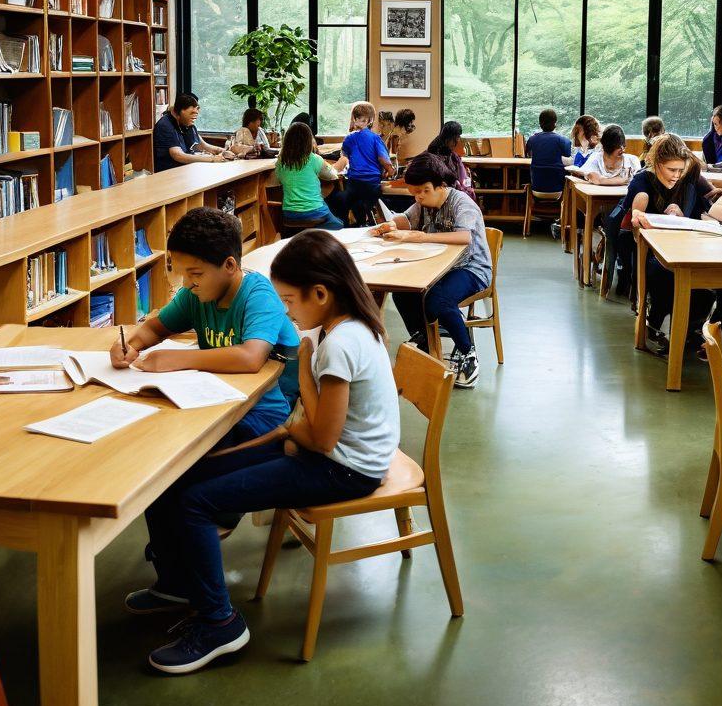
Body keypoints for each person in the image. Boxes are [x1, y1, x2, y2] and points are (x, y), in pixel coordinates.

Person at [130, 230, 399, 674]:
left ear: (320, 293)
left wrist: (296, 428)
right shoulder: (341, 330)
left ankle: (221, 624)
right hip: (327, 453)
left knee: (196, 501)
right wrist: (297, 426)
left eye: (290, 302)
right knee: (177, 479)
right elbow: (315, 425)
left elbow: (324, 438)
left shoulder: (338, 344)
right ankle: (179, 585)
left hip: (344, 469)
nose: (287, 312)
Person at [111, 207, 299, 448]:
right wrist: (129, 346)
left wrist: (175, 359)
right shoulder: (196, 294)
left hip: (264, 411)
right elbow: (155, 329)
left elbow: (251, 358)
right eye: (182, 274)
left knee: (181, 456)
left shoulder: (258, 295)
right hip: (218, 402)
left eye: (195, 274)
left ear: (229, 266)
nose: (187, 284)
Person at [371, 153, 492, 390]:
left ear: (440, 185)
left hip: (471, 268)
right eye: (415, 192)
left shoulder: (462, 203)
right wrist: (390, 224)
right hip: (440, 267)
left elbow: (464, 236)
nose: (419, 197)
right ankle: (426, 340)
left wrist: (421, 236)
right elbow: (406, 220)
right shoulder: (422, 203)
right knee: (403, 292)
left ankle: (468, 354)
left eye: (424, 191)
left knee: (438, 299)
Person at [616, 134, 718, 354]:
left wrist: (686, 216)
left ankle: (689, 334)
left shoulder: (688, 176)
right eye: (672, 170)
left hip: (685, 247)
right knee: (662, 273)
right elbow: (638, 207)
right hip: (651, 252)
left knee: (707, 286)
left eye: (680, 171)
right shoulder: (643, 180)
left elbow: (711, 200)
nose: (676, 176)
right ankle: (655, 323)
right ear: (658, 164)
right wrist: (639, 216)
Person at [275, 121, 347, 230]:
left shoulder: (281, 162)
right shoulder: (314, 159)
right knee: (339, 225)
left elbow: (280, 179)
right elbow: (332, 175)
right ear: (309, 141)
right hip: (315, 212)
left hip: (289, 214)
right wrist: (343, 161)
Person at [338, 102, 394, 226]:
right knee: (377, 206)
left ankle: (360, 223)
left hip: (353, 183)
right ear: (371, 120)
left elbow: (344, 156)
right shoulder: (375, 138)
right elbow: (383, 159)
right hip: (371, 183)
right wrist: (390, 171)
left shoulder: (349, 139)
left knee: (356, 208)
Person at [153, 92, 236, 173]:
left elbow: (202, 146)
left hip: (185, 170)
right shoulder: (165, 125)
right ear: (180, 111)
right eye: (191, 113)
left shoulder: (186, 123)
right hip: (169, 172)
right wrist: (212, 159)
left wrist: (223, 151)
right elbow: (178, 155)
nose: (194, 117)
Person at [526, 108, 572, 193]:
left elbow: (528, 154)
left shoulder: (532, 139)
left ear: (540, 124)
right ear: (555, 124)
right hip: (558, 188)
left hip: (536, 187)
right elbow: (568, 154)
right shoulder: (563, 140)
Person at [427, 121, 476, 201]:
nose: (457, 140)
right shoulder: (435, 150)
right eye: (456, 137)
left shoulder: (450, 150)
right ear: (449, 137)